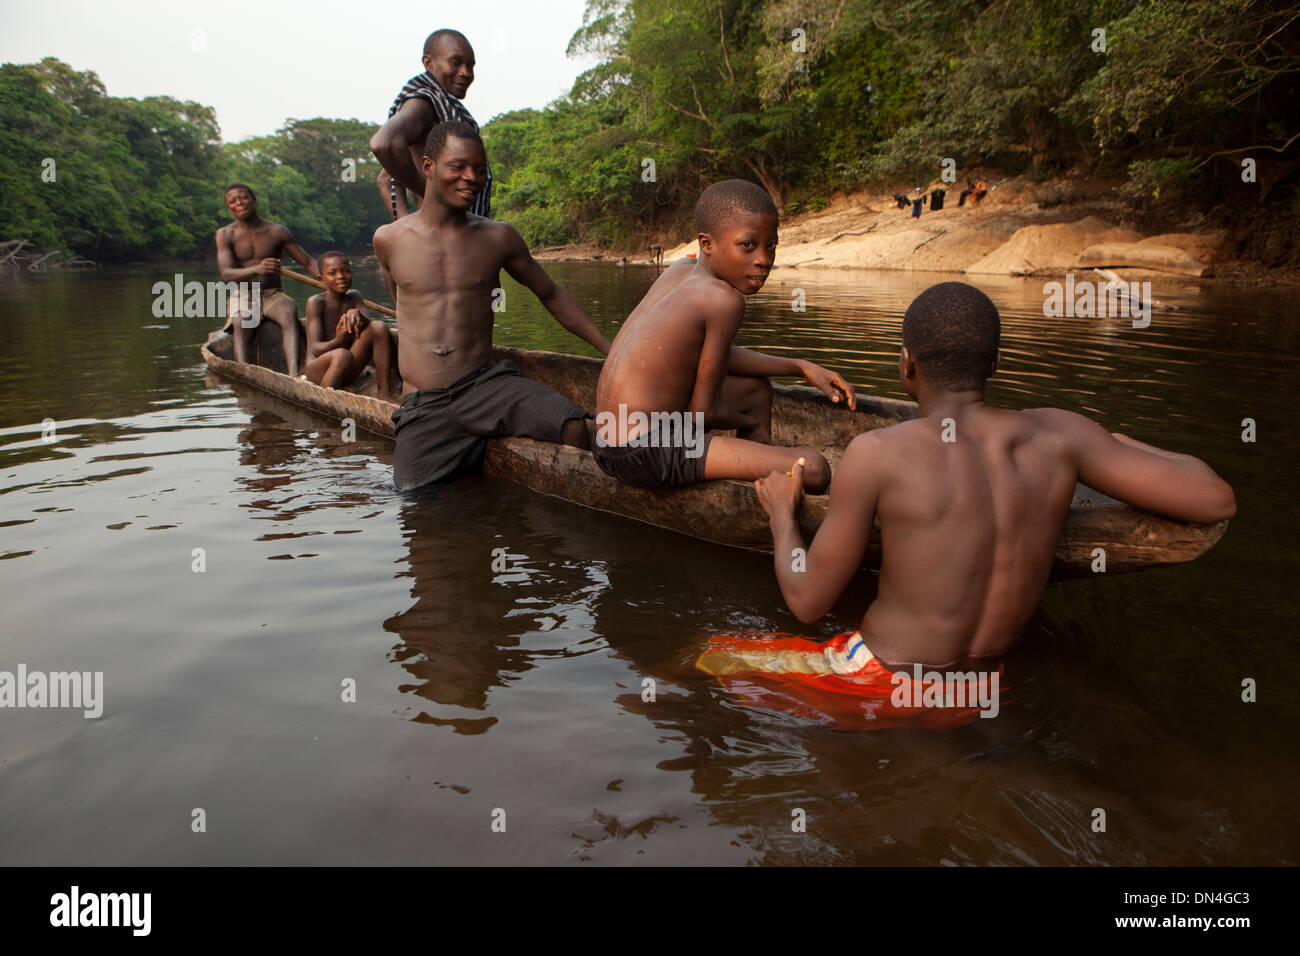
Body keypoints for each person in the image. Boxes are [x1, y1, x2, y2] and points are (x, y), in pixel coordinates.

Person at [747, 281, 1235, 674]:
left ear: (906, 365)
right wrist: (1122, 443)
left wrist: (783, 514)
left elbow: (807, 601)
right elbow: (1216, 499)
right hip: (988, 683)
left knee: (712, 659)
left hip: (883, 679)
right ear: (997, 363)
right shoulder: (1064, 435)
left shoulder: (876, 452)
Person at [372, 121, 611, 492]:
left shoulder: (498, 237)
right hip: (426, 402)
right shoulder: (389, 240)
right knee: (415, 501)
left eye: (480, 170)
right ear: (428, 167)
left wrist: (610, 351)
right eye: (458, 166)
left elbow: (550, 294)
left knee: (574, 426)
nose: (471, 178)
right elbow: (401, 302)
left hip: (485, 389)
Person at [592, 179, 856, 491]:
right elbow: (703, 415)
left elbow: (710, 357)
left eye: (771, 245)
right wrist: (751, 423)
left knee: (755, 390)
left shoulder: (680, 269)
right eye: (748, 245)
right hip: (645, 449)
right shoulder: (724, 300)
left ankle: (753, 480)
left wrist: (799, 366)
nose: (763, 259)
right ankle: (764, 479)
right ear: (707, 244)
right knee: (813, 468)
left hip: (605, 439)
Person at [370, 29, 490, 221]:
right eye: (455, 63)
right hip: (443, 229)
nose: (465, 73)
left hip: (449, 229)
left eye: (470, 66)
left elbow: (385, 179)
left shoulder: (441, 107)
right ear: (428, 63)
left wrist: (405, 224)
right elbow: (384, 143)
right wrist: (435, 197)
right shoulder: (424, 103)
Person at [215, 183, 319, 378]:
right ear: (229, 208)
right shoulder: (225, 235)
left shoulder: (277, 231)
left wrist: (322, 276)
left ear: (254, 200)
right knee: (241, 321)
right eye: (233, 202)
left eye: (243, 198)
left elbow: (308, 261)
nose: (240, 203)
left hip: (272, 294)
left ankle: (294, 375)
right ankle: (244, 374)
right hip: (245, 295)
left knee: (289, 311)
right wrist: (258, 268)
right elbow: (227, 274)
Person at [303, 252, 395, 401]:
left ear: (351, 274)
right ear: (321, 279)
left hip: (346, 366)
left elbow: (370, 326)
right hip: (318, 370)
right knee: (341, 354)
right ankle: (326, 400)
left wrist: (357, 312)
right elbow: (315, 348)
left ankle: (383, 394)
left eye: (345, 271)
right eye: (332, 273)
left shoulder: (354, 296)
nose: (340, 276)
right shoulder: (316, 302)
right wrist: (339, 341)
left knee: (379, 326)